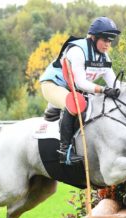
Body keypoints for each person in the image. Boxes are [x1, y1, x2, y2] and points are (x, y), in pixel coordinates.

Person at [39, 17, 121, 164]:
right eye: (105, 40)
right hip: (53, 85)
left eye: (111, 40)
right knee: (75, 103)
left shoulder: (104, 56)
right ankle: (65, 151)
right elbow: (81, 83)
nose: (108, 44)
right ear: (93, 38)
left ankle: (55, 109)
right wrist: (103, 90)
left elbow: (114, 82)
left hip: (73, 89)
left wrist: (122, 92)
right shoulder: (78, 51)